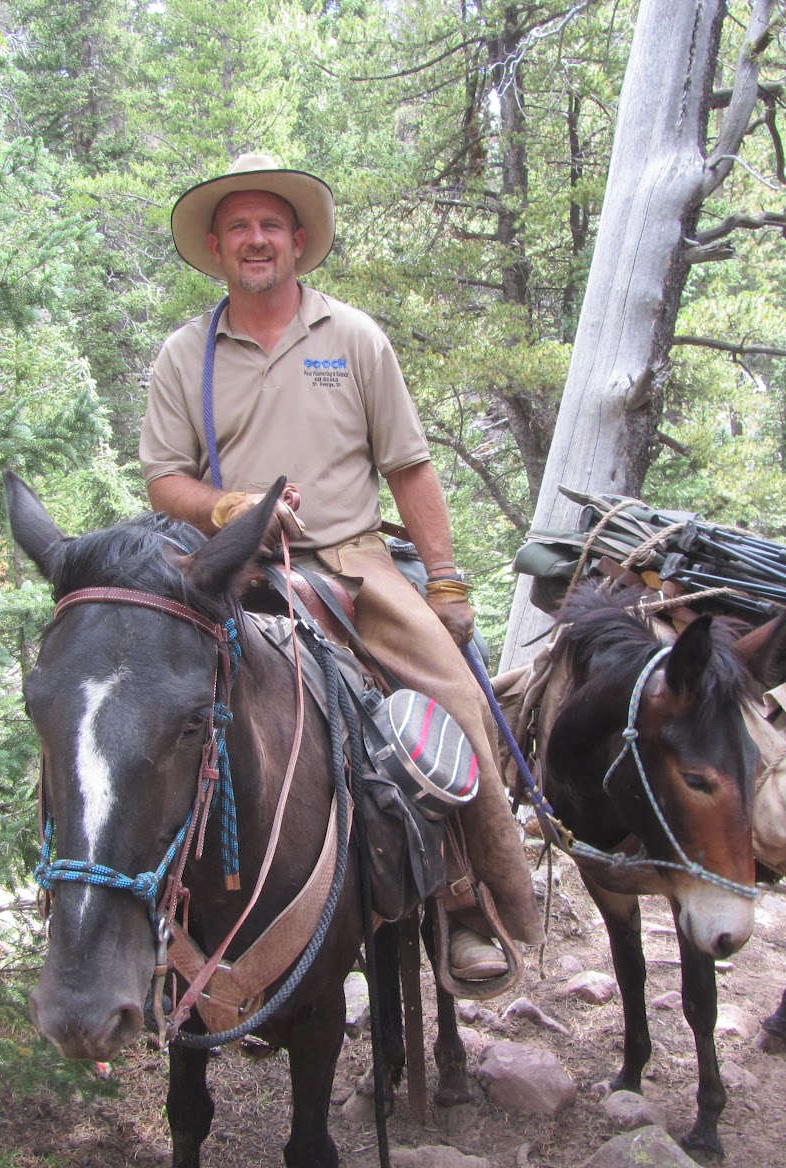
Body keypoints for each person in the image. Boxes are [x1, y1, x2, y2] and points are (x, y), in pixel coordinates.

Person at [138, 153, 542, 982]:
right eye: (240, 227)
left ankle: (471, 904)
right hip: (230, 564)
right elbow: (163, 479)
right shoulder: (185, 354)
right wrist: (227, 508)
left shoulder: (352, 337)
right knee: (132, 698)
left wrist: (446, 580)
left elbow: (410, 465)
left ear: (297, 240)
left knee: (460, 698)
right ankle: (134, 915)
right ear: (216, 246)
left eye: (271, 226)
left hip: (353, 563)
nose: (256, 240)